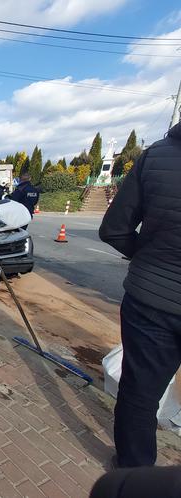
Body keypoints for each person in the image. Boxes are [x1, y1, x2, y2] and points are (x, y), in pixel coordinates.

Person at [99, 121, 181, 468]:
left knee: (140, 395)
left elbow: (113, 229)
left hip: (153, 301)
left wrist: (149, 259)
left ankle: (134, 475)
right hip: (154, 295)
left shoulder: (157, 156)